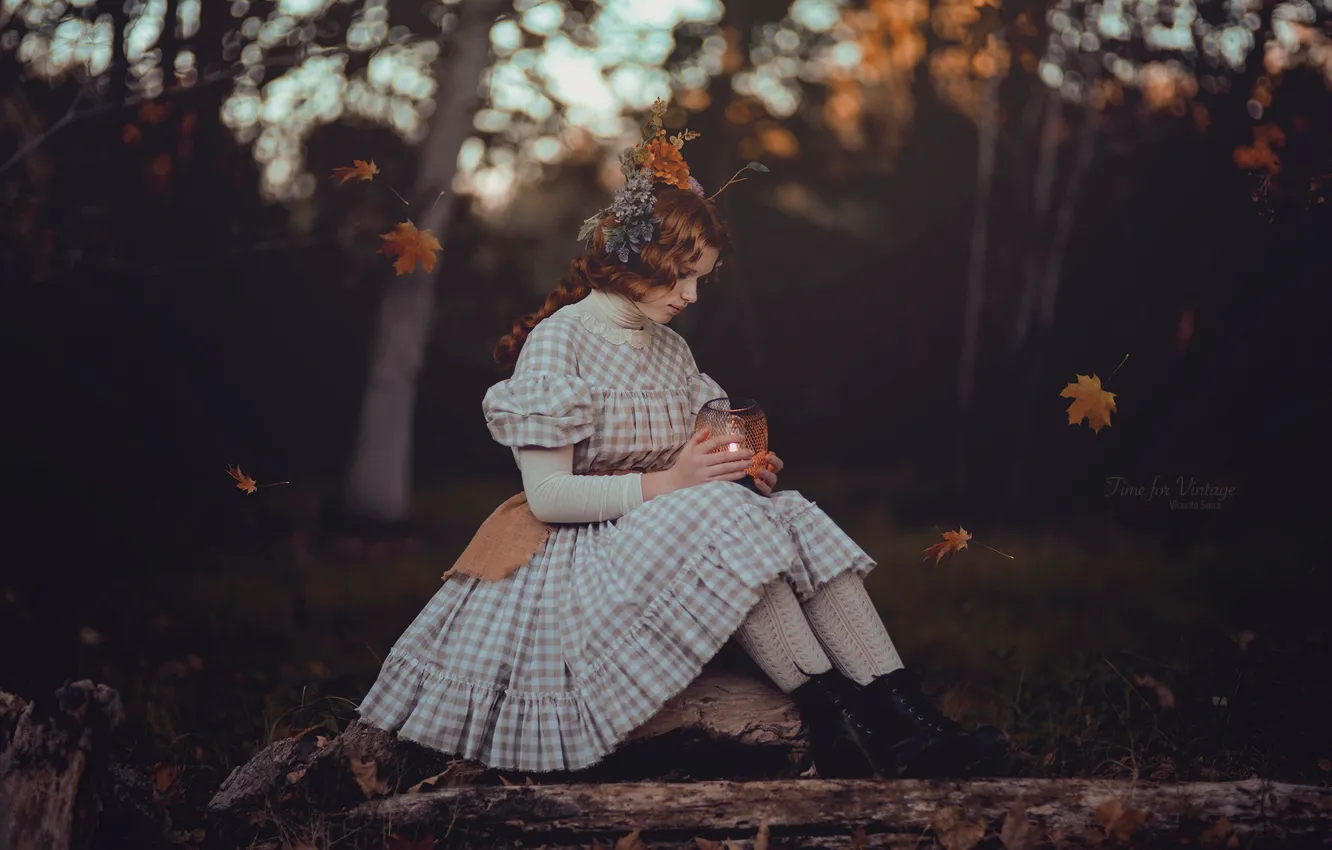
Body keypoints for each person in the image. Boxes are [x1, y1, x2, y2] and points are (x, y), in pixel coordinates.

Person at [357, 104, 1007, 779]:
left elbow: (709, 452)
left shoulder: (671, 351)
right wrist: (674, 483)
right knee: (724, 518)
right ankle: (837, 719)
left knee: (785, 512)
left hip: (673, 534)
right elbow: (547, 497)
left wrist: (740, 468)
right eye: (683, 275)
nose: (693, 296)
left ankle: (906, 719)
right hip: (580, 559)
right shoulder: (562, 341)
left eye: (703, 277)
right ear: (638, 259)